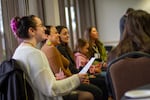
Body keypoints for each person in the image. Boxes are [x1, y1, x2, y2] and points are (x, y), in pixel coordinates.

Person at [10, 15, 89, 100]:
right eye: (41, 25)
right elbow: (51, 88)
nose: (44, 28)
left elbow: (37, 82)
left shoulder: (18, 52)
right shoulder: (35, 54)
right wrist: (77, 78)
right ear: (32, 31)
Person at [41, 26, 94, 100]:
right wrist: (77, 79)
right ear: (47, 36)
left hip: (70, 79)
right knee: (96, 91)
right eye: (56, 33)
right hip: (67, 83)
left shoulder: (53, 48)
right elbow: (61, 73)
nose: (58, 35)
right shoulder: (51, 49)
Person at [56, 25, 106, 100]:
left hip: (77, 76)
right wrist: (81, 77)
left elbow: (74, 68)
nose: (68, 36)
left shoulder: (66, 49)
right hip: (72, 79)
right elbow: (69, 69)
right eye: (65, 34)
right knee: (98, 89)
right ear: (58, 35)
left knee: (103, 80)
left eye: (68, 33)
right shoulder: (59, 49)